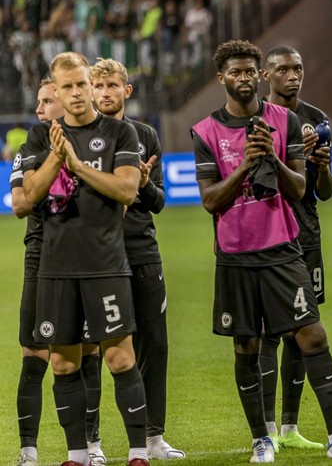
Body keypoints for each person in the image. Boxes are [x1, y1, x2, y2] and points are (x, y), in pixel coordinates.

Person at [191, 40, 332, 461]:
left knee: (312, 333)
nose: (243, 78)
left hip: (282, 247)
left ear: (259, 75)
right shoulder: (205, 132)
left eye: (248, 71)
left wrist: (271, 158)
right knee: (247, 347)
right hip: (235, 255)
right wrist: (243, 166)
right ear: (222, 78)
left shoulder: (284, 120)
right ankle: (262, 438)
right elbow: (210, 200)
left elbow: (299, 189)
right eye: (234, 72)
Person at [20, 52, 150, 466]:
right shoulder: (40, 140)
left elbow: (127, 190)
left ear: (90, 86)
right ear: (55, 92)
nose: (77, 93)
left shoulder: (119, 134)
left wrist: (77, 164)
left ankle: (137, 452)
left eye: (82, 84)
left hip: (106, 263)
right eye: (68, 87)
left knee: (120, 357)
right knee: (61, 363)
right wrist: (58, 159)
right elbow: (24, 202)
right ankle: (76, 455)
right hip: (56, 268)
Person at [90, 58, 185, 460]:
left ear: (126, 90)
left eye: (113, 85)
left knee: (154, 344)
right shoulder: (80, 136)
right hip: (96, 258)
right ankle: (90, 443)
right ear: (91, 92)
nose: (106, 93)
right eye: (100, 86)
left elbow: (160, 202)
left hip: (142, 253)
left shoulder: (146, 135)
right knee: (92, 350)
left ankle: (153, 438)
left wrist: (145, 185)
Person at [257, 45, 332, 451]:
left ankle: (289, 426)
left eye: (298, 68)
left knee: (302, 331)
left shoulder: (317, 119)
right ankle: (267, 427)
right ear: (266, 75)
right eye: (284, 69)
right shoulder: (258, 120)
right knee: (270, 333)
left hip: (307, 236)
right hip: (269, 235)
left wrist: (320, 166)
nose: (293, 75)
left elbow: (325, 192)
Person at [10, 79, 65, 466]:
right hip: (40, 253)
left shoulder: (99, 137)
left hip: (84, 259)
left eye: (48, 101)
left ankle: (90, 447)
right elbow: (21, 203)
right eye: (39, 101)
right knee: (34, 353)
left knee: (87, 352)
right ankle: (27, 450)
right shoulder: (30, 145)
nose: (40, 109)